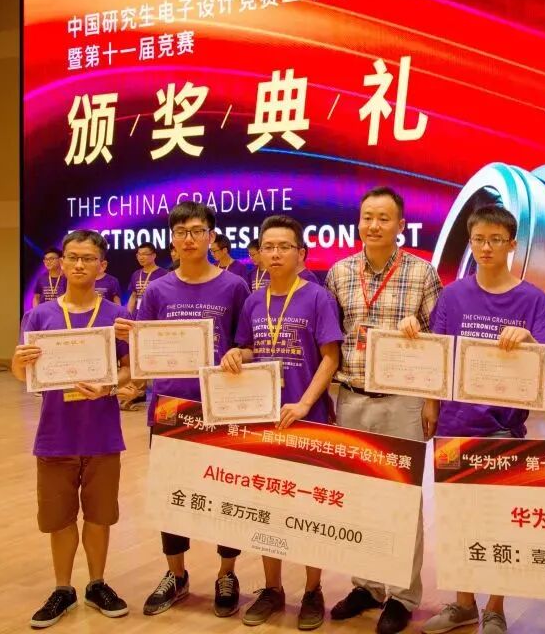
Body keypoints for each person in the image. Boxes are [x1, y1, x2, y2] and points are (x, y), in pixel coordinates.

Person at [416, 205, 545, 634]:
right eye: (479, 239)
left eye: (496, 239)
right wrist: (431, 403)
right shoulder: (453, 295)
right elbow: (437, 354)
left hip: (503, 428)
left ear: (512, 244)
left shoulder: (533, 300)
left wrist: (530, 341)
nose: (486, 247)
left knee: (499, 522)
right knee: (457, 519)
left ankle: (495, 607)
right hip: (454, 424)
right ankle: (464, 605)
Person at [113, 202, 252, 619]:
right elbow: (144, 349)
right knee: (171, 494)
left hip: (221, 407)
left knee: (227, 492)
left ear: (211, 236)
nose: (189, 239)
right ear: (172, 239)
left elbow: (246, 343)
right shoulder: (158, 290)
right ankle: (176, 574)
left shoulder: (234, 286)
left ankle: (227, 574)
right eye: (180, 232)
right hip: (170, 406)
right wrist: (130, 363)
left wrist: (239, 354)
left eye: (197, 230)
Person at [325, 186, 442, 634]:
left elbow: (439, 341)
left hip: (402, 401)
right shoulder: (339, 272)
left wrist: (431, 400)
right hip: (352, 396)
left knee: (402, 499)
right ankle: (367, 585)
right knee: (359, 497)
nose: (373, 226)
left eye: (383, 218)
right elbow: (330, 340)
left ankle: (402, 594)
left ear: (400, 225)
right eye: (367, 217)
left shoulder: (422, 272)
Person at [220, 215, 343, 630]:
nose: (275, 254)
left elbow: (330, 357)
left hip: (308, 419)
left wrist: (306, 403)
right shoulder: (254, 301)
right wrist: (237, 355)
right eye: (268, 247)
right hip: (263, 419)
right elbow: (251, 349)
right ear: (259, 254)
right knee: (266, 506)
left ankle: (312, 589)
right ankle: (272, 588)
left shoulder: (318, 297)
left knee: (309, 509)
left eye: (284, 246)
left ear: (301, 253)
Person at [11, 230, 132, 628]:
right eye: (73, 257)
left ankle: (97, 584)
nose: (80, 264)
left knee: (99, 516)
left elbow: (132, 371)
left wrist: (112, 385)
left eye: (88, 258)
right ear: (61, 263)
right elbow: (21, 373)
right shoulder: (40, 316)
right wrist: (20, 362)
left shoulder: (117, 317)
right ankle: (63, 589)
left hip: (102, 435)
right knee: (60, 519)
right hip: (55, 435)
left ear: (103, 266)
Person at [126, 243, 167, 313]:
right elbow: (133, 296)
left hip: (155, 314)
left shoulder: (164, 274)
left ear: (154, 256)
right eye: (139, 254)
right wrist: (128, 314)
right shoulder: (136, 274)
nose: (141, 257)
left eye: (144, 254)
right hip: (138, 314)